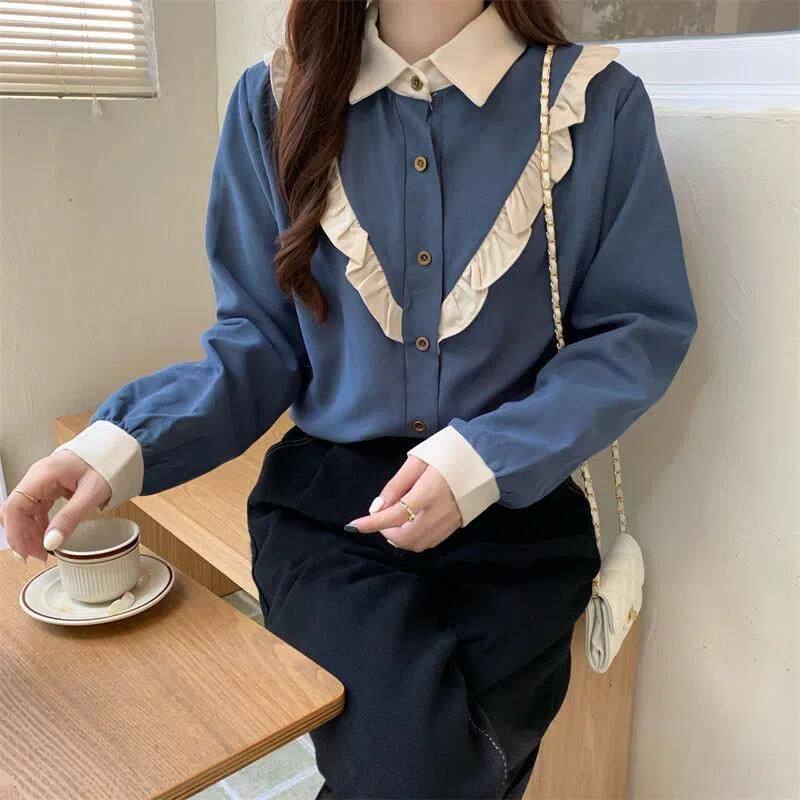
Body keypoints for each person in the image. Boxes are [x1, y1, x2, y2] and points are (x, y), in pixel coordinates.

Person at [2, 1, 698, 797]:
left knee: (422, 775)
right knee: (417, 773)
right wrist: (119, 444)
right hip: (332, 517)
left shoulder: (591, 103)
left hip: (519, 514)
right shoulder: (273, 101)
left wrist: (486, 457)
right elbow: (259, 343)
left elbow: (635, 333)